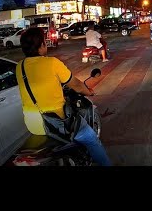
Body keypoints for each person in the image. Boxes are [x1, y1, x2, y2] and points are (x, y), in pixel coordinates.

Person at [15, 27, 112, 166]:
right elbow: (77, 85)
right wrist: (89, 92)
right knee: (91, 138)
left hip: (33, 124)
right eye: (44, 42)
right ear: (41, 45)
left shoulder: (20, 67)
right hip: (57, 123)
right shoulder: (51, 63)